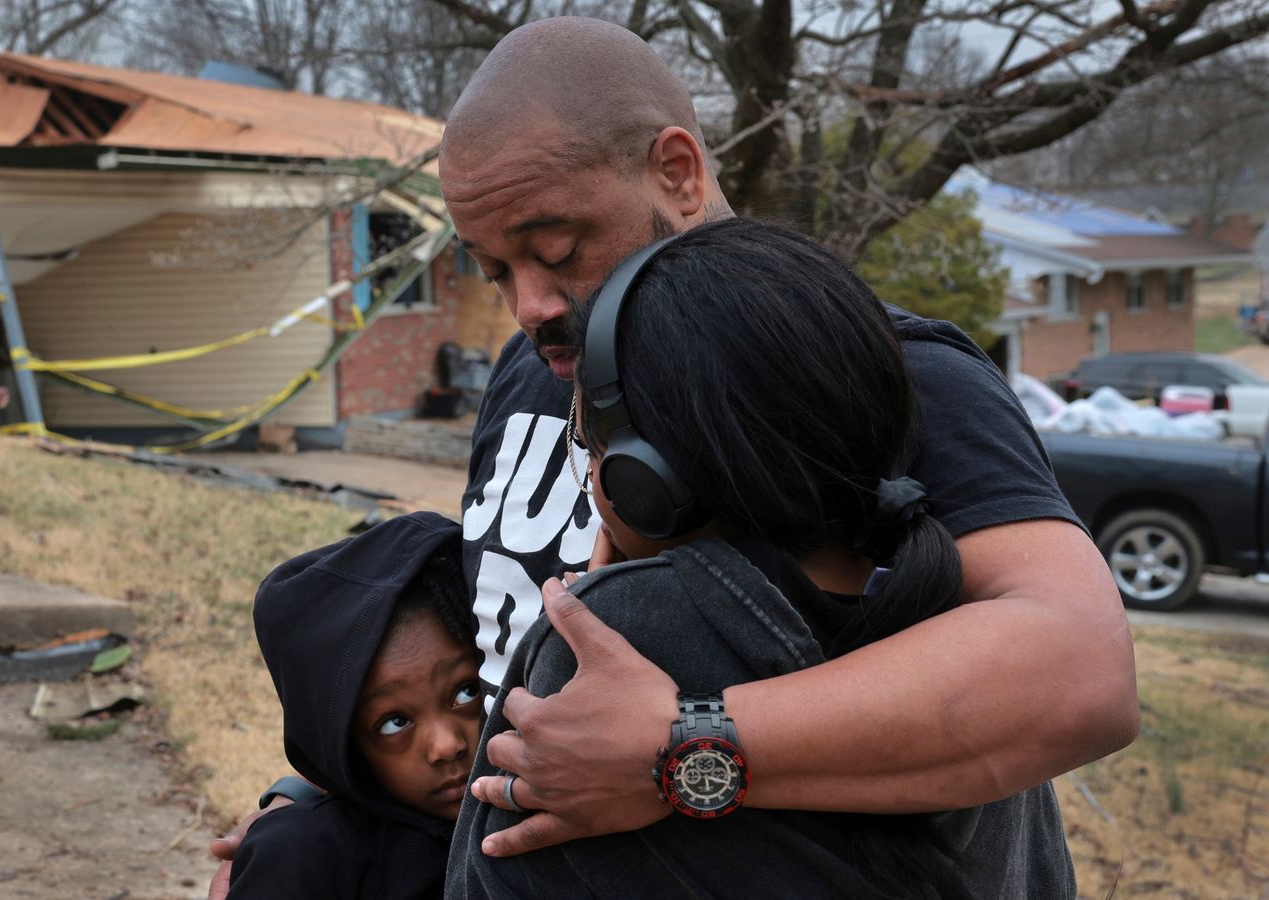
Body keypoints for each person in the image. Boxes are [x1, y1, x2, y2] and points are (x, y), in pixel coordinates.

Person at [211, 17, 1138, 895]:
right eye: (494, 269)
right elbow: (498, 641)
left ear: (679, 173)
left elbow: (1078, 671)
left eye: (557, 247)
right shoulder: (539, 365)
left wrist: (682, 750)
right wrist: (329, 815)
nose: (528, 304)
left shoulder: (876, 372)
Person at [451, 218, 1073, 897]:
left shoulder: (612, 629)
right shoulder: (962, 621)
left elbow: (485, 874)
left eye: (588, 442)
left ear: (648, 479)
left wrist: (615, 596)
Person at [231, 512, 481, 899]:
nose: (447, 745)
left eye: (465, 692)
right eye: (395, 722)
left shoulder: (553, 817)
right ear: (345, 749)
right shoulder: (304, 860)